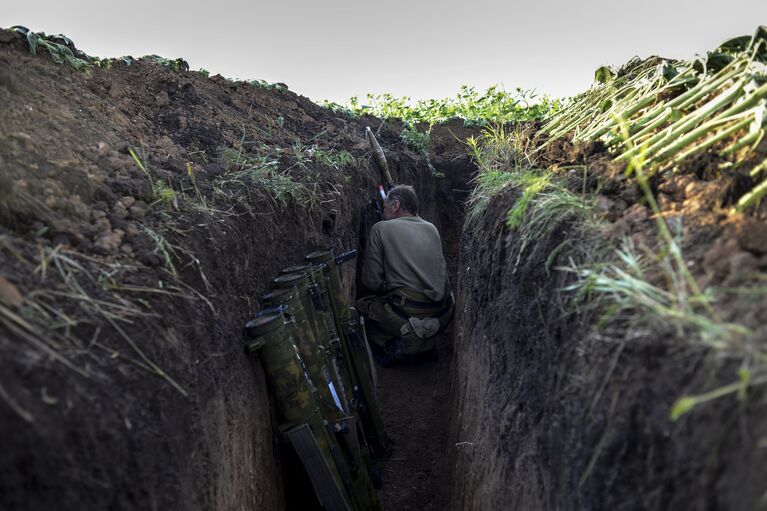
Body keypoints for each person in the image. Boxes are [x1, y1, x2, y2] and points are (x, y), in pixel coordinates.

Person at [356, 185, 454, 366]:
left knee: (363, 308)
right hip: (443, 314)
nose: (383, 212)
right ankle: (426, 341)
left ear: (395, 206)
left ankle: (401, 344)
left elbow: (371, 282)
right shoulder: (431, 228)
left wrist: (387, 285)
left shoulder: (380, 229)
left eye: (385, 208)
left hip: (406, 314)